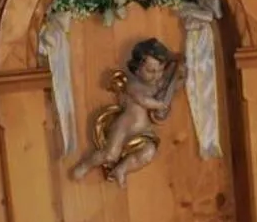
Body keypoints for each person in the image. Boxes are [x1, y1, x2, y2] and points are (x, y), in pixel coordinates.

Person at [71, 38, 179, 185]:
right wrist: (158, 105)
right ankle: (86, 165)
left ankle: (122, 168)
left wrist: (179, 77)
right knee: (110, 154)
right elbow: (143, 100)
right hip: (124, 127)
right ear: (137, 68)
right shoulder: (133, 85)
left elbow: (171, 87)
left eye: (160, 71)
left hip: (144, 132)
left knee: (148, 153)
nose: (156, 75)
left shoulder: (156, 86)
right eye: (151, 71)